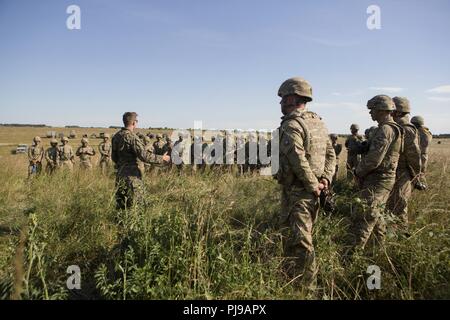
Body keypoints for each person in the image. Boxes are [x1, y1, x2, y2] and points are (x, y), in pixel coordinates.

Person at [275, 77, 336, 291]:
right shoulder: (317, 122)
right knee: (300, 236)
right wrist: (325, 181)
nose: (281, 103)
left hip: (299, 192)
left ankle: (305, 289)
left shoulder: (292, 124)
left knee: (301, 242)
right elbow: (331, 155)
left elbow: (297, 160)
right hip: (314, 190)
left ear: (292, 98)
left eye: (283, 99)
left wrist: (313, 185)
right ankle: (292, 277)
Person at [348, 95, 403, 254]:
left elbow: (373, 159)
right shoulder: (384, 128)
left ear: (380, 110)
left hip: (379, 179)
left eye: (372, 110)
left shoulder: (386, 129)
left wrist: (357, 172)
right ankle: (378, 250)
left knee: (366, 216)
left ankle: (354, 254)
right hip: (379, 178)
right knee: (376, 215)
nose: (370, 113)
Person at [111, 112, 170, 209]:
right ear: (134, 122)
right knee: (137, 205)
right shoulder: (132, 137)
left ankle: (119, 224)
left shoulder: (116, 136)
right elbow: (144, 156)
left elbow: (114, 157)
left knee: (121, 205)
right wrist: (162, 158)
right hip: (132, 177)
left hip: (120, 175)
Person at [386, 97, 421, 229]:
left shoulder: (407, 128)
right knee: (392, 205)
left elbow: (414, 155)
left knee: (399, 205)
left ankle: (401, 236)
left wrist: (416, 175)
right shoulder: (396, 126)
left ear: (397, 111)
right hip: (395, 171)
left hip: (402, 172)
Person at [411, 115, 433, 188]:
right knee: (420, 173)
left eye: (413, 123)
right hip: (422, 155)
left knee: (419, 173)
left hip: (420, 155)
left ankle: (422, 186)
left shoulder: (422, 132)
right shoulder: (426, 132)